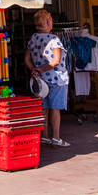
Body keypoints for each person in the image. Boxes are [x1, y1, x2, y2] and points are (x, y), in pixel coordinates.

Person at [25, 9, 70, 147]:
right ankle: (56, 137)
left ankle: (44, 136)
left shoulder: (33, 38)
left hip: (41, 81)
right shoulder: (53, 39)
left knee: (44, 108)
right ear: (48, 22)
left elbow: (26, 59)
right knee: (55, 109)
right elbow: (56, 61)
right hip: (56, 79)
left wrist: (34, 69)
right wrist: (42, 68)